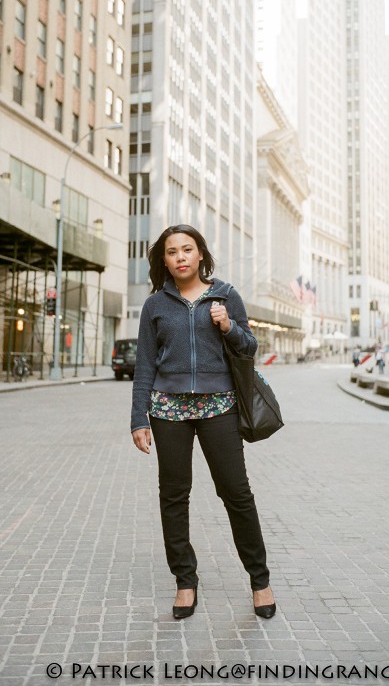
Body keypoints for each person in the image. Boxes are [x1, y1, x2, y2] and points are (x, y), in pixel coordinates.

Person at [130, 224, 275, 620]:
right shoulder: (155, 305)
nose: (180, 256)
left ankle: (259, 580)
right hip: (168, 411)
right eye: (172, 251)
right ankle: (185, 581)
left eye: (187, 249)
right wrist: (137, 417)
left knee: (236, 494)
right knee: (174, 496)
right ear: (164, 260)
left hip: (219, 406)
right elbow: (144, 363)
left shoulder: (225, 295)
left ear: (200, 255)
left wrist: (228, 326)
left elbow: (249, 347)